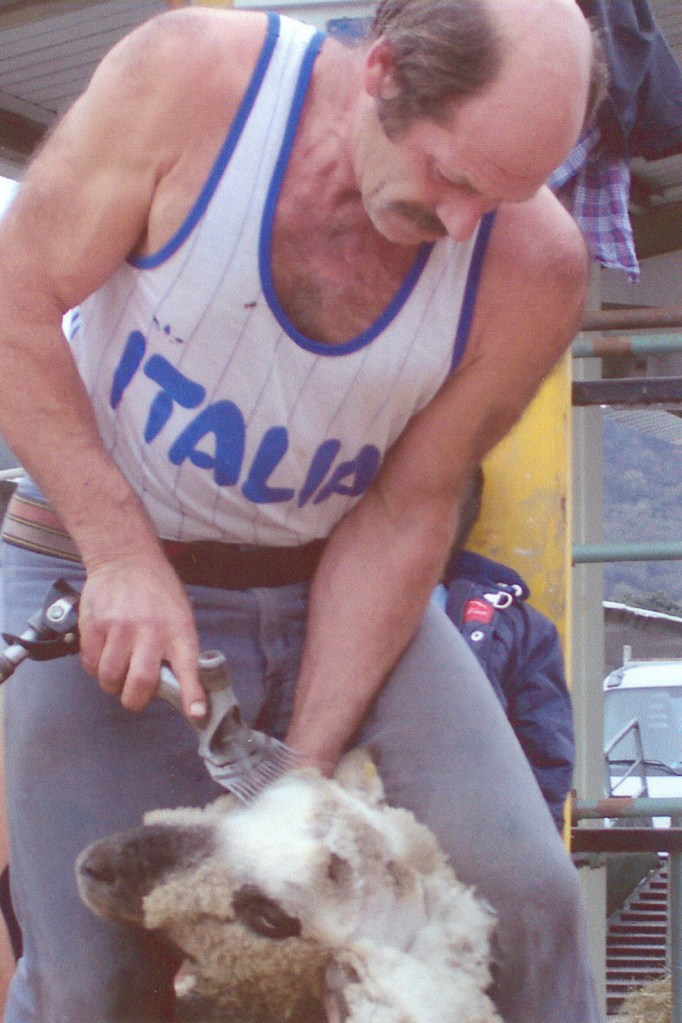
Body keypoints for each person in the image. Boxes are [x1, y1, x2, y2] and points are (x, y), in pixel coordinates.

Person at [0, 1, 607, 1020]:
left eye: (506, 195)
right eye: (453, 176)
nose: (466, 224)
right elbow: (13, 303)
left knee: (525, 899)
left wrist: (300, 776)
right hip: (96, 547)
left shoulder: (534, 266)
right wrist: (119, 553)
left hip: (336, 571)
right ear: (381, 72)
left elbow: (408, 512)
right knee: (96, 970)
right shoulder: (189, 83)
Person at [432, 468, 575, 832]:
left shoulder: (523, 629)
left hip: (467, 834)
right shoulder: (326, 600)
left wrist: (526, 848)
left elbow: (545, 761)